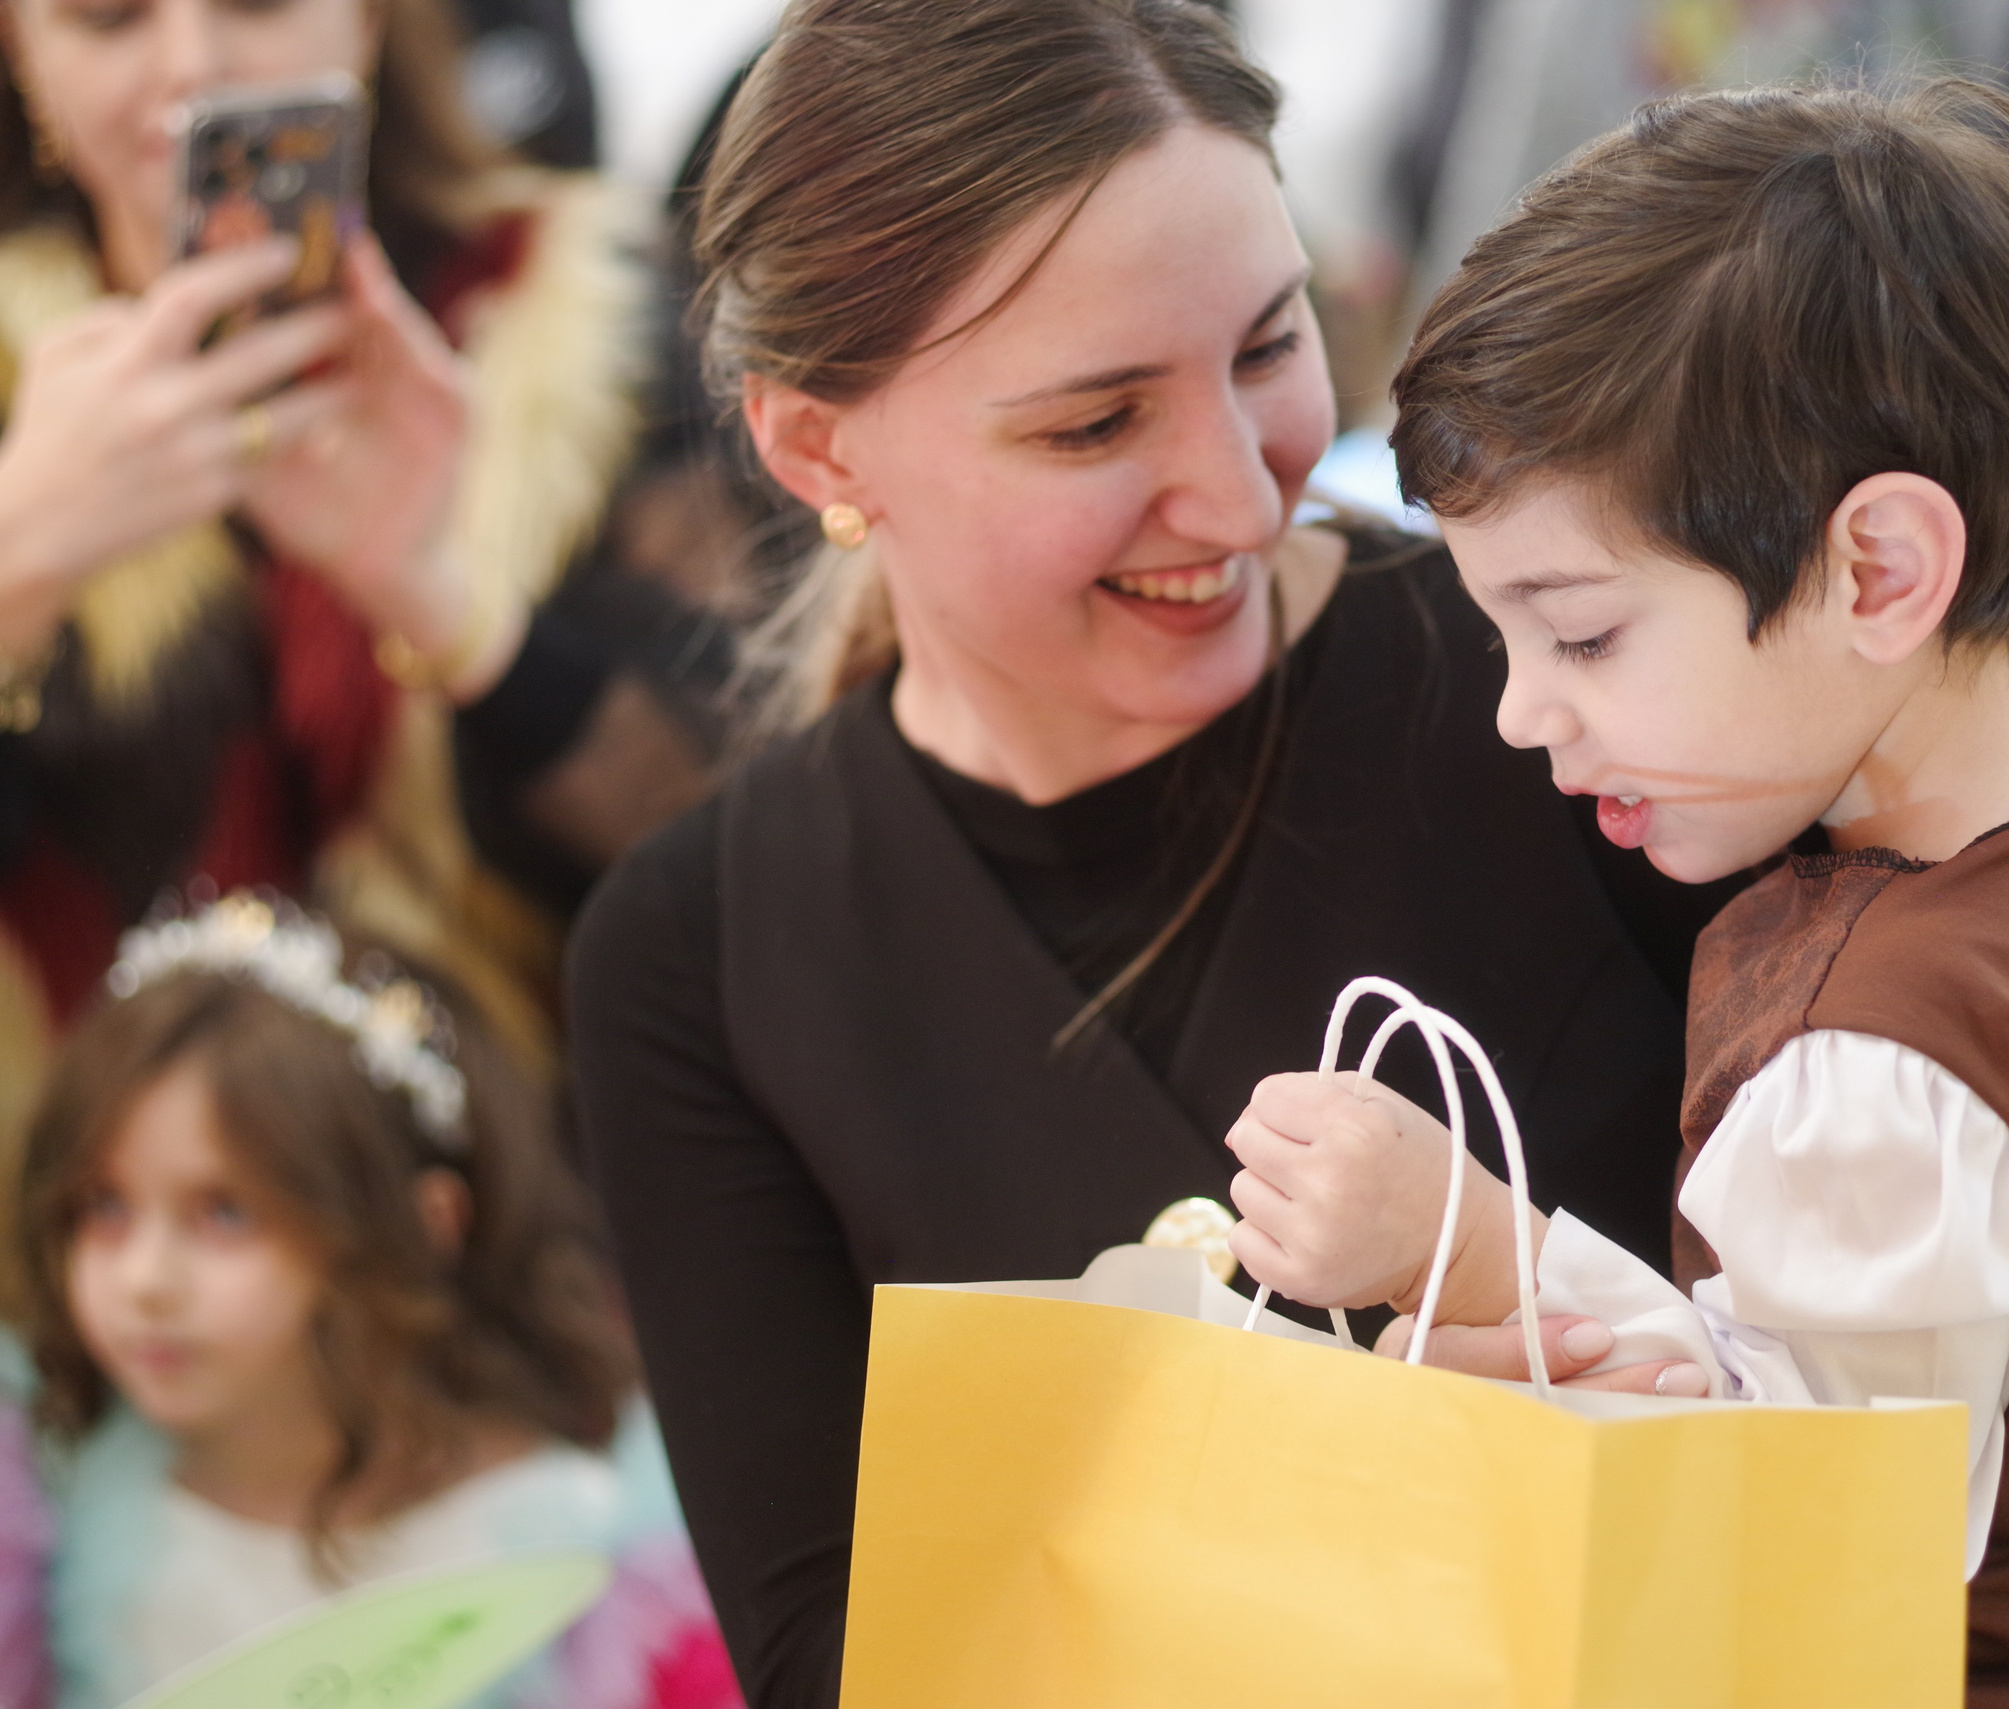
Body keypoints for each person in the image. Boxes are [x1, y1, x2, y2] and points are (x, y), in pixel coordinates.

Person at [564, 1, 1737, 1700]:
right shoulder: (697, 961)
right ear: (817, 443)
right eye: (1093, 425)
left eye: (1268, 348)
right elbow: (843, 1656)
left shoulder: (1559, 690)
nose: (1246, 497)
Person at [1221, 79, 2009, 1706]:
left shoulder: (1878, 1081)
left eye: (1584, 631)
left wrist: (1476, 1247)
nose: (1519, 710)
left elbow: (1791, 1556)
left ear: (1879, 569)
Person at [0, 0, 738, 1159]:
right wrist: (20, 556)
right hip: (75, 1239)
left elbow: (757, 860)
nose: (191, 63)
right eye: (108, 18)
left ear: (370, 20)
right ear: (20, 53)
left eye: (257, 3)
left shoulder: (572, 310)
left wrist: (444, 603)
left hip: (514, 1224)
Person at [7, 892, 738, 1709]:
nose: (145, 1279)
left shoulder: (588, 1546)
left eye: (224, 1213)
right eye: (103, 1207)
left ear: (423, 1226)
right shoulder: (53, 1503)